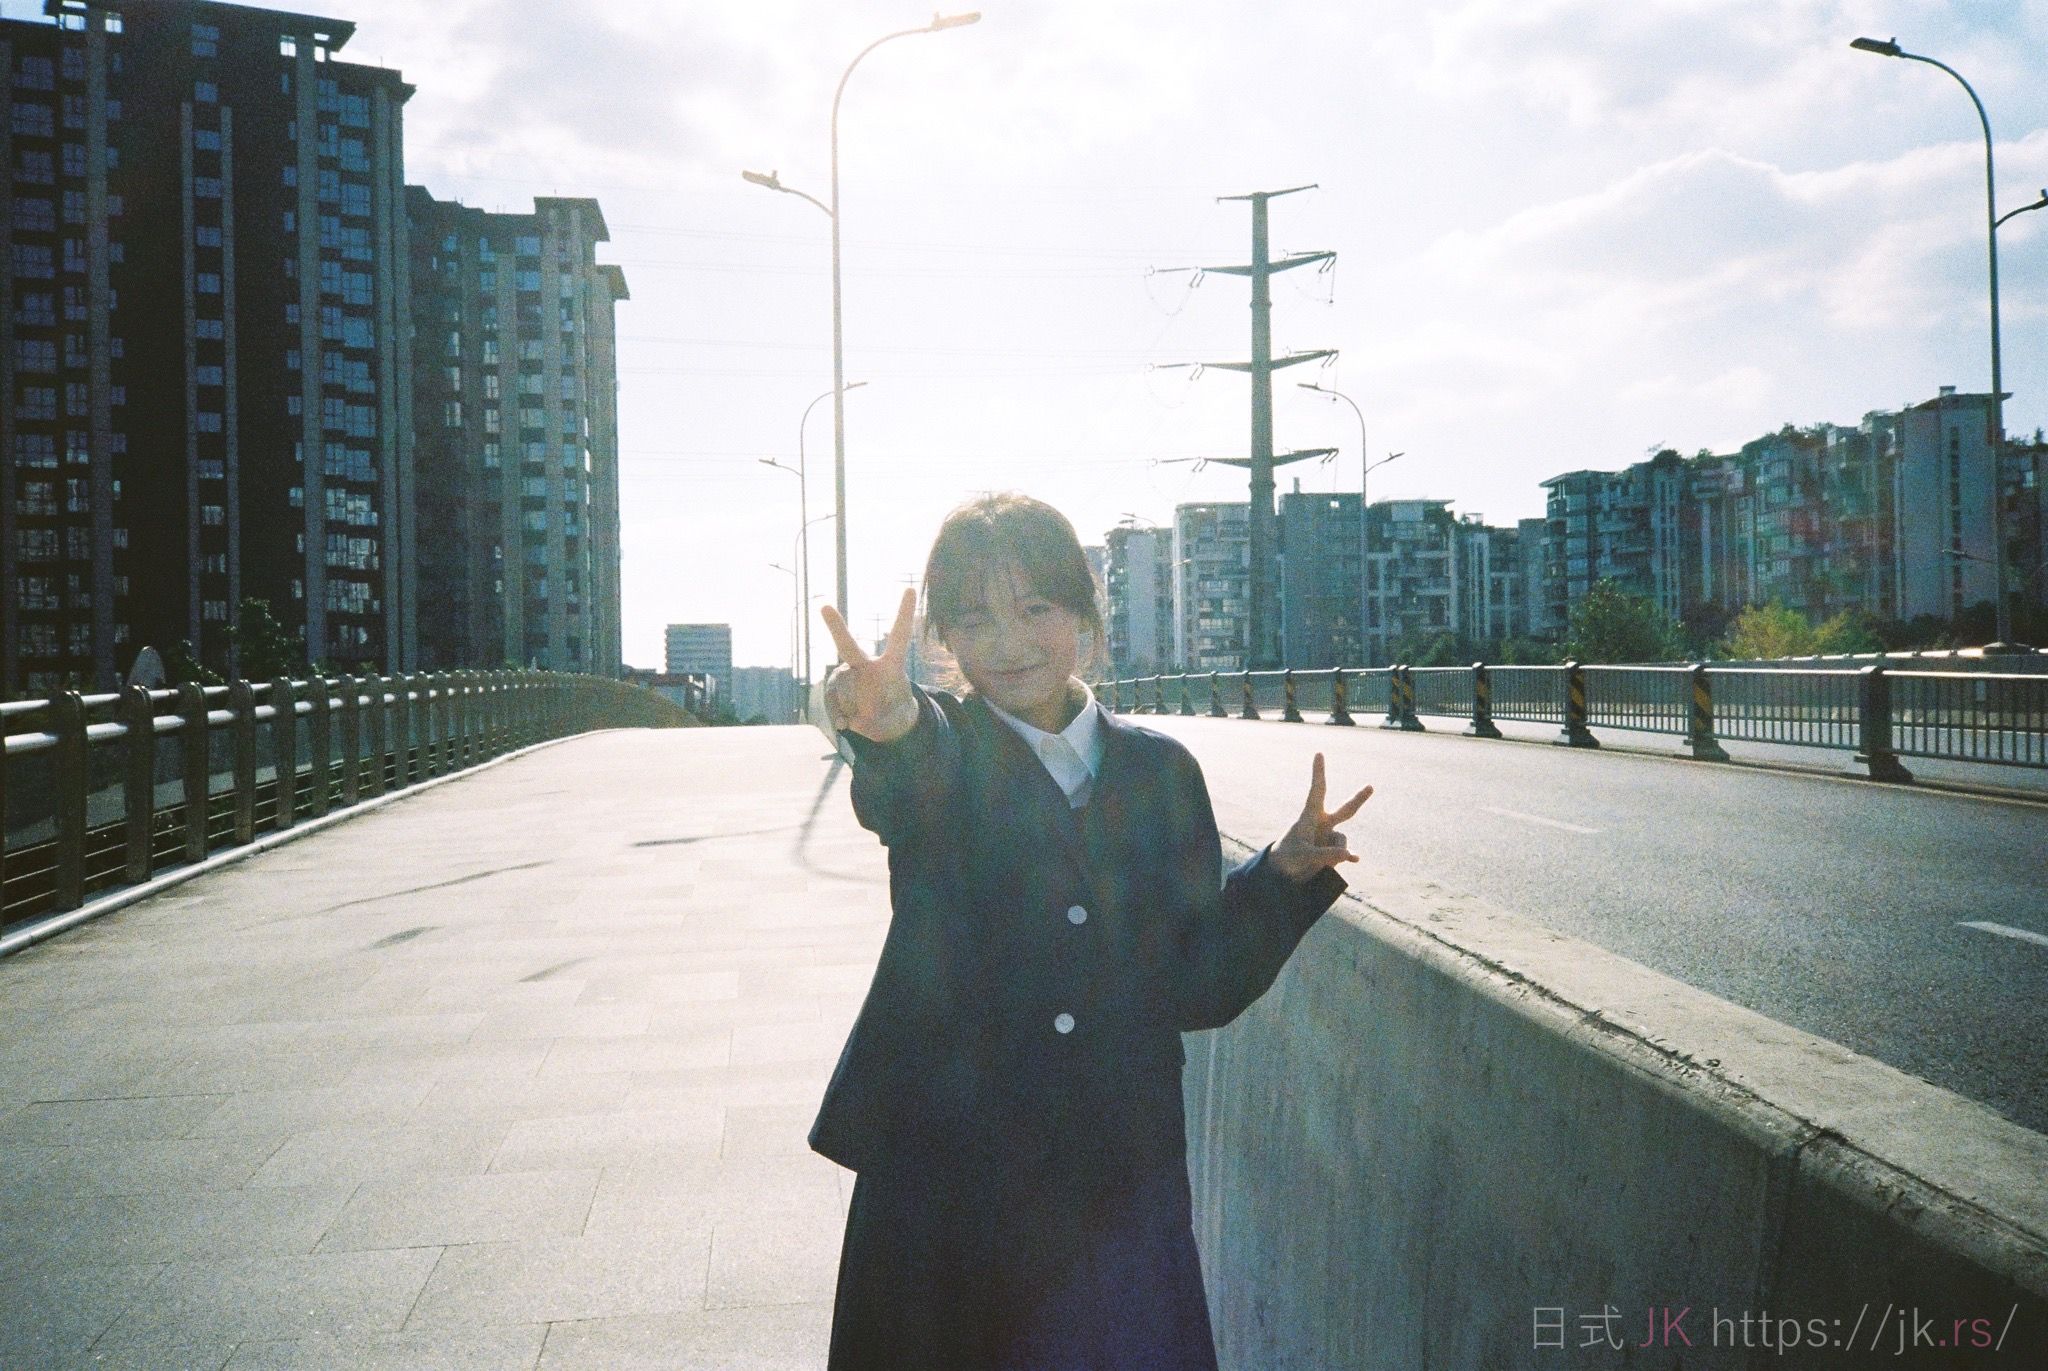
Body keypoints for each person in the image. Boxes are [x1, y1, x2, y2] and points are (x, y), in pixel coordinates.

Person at [812, 492, 1373, 1369]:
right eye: (976, 619)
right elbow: (910, 771)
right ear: (944, 642)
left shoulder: (1160, 772)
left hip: (1115, 1186)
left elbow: (1196, 982)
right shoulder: (946, 754)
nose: (1010, 642)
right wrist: (889, 727)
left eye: (1036, 607)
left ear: (1084, 613)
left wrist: (1279, 878)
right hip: (948, 1185)